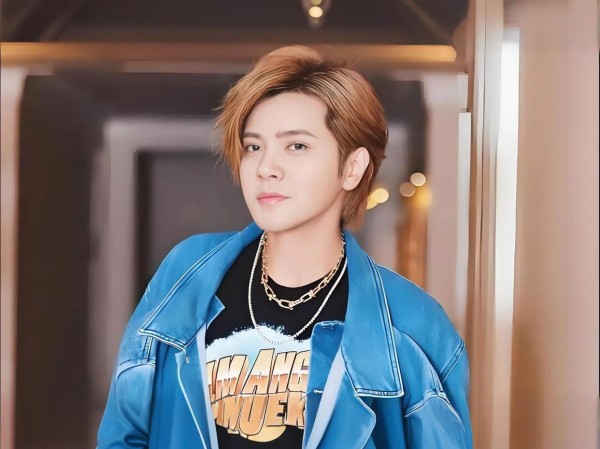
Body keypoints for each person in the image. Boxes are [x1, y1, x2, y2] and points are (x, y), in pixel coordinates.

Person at [97, 45, 472, 449]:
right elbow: (124, 432)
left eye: (297, 146)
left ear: (352, 167)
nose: (265, 168)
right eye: (254, 147)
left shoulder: (413, 323)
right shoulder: (187, 274)